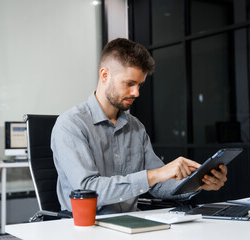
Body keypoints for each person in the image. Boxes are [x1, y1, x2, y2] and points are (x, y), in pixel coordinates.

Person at [51, 38, 228, 214]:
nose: (136, 93)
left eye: (139, 85)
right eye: (129, 84)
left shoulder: (135, 127)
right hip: (87, 227)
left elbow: (159, 184)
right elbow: (88, 190)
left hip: (132, 224)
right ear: (105, 75)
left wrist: (197, 182)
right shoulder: (71, 125)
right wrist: (155, 174)